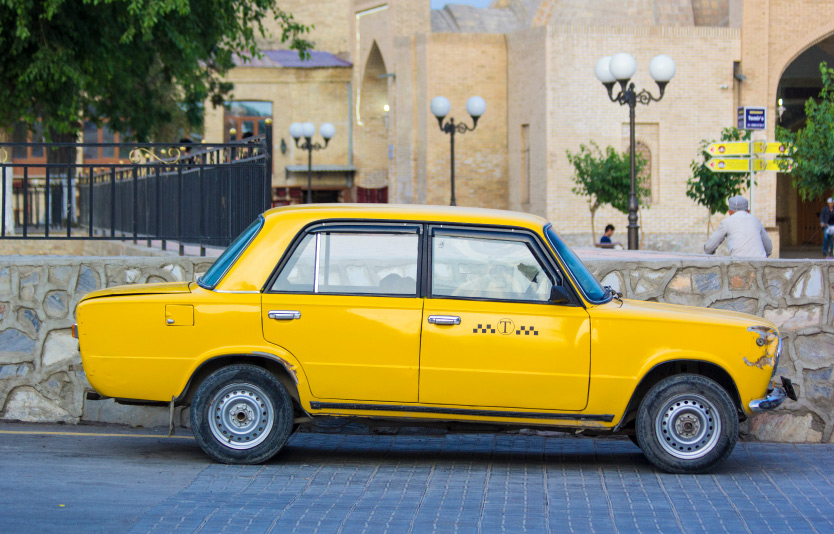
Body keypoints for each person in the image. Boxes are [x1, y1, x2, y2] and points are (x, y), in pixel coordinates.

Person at [704, 195, 772, 258]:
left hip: (738, 264)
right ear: (748, 211)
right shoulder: (756, 221)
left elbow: (709, 248)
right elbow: (769, 248)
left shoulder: (726, 222)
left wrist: (709, 255)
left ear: (729, 212)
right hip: (760, 263)